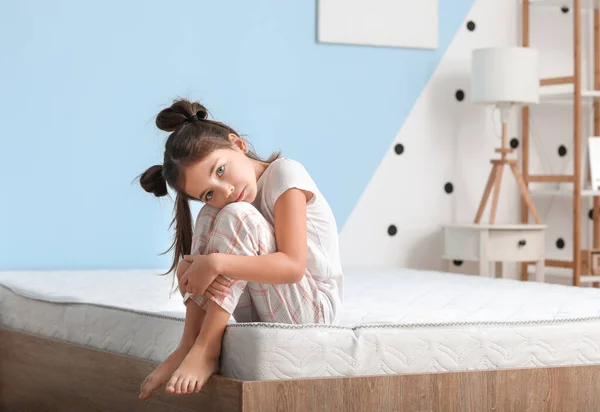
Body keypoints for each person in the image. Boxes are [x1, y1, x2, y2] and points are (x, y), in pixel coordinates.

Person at [136, 99, 343, 400]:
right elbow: (218, 234)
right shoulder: (223, 203)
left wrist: (217, 263)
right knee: (210, 213)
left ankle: (207, 347)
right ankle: (189, 342)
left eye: (220, 170)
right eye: (208, 192)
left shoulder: (285, 175)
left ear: (238, 144)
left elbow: (293, 266)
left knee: (235, 213)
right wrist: (197, 267)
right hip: (260, 305)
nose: (225, 190)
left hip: (311, 310)